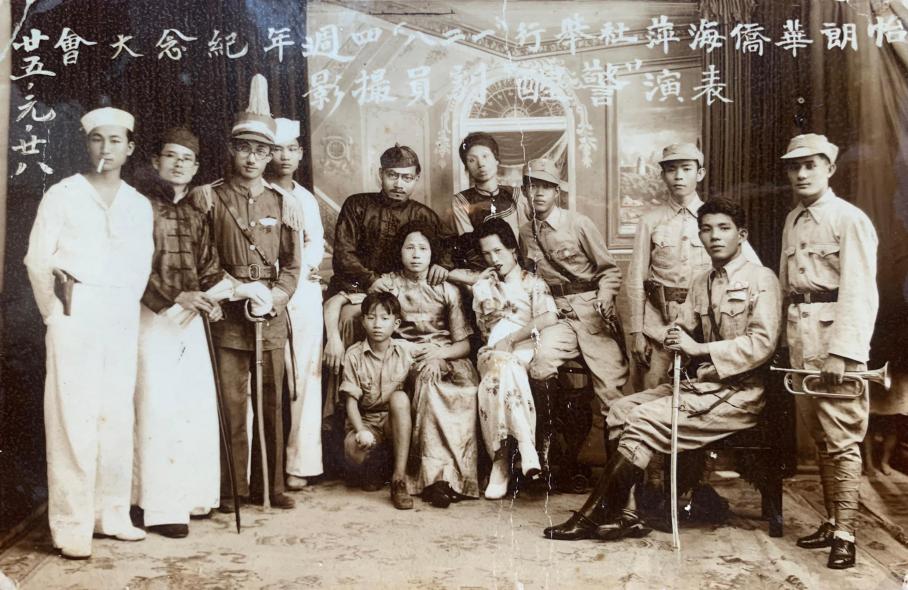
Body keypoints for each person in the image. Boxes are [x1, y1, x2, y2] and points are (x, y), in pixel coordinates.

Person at [544, 197, 781, 542]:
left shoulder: (762, 279)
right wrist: (675, 334)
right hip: (701, 387)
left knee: (642, 419)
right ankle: (627, 513)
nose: (714, 236)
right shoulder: (702, 282)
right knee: (621, 409)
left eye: (724, 228)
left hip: (738, 395)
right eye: (706, 229)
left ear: (741, 235)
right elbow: (683, 327)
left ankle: (593, 515)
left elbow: (762, 344)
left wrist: (699, 349)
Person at [24, 107, 154, 559]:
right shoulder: (63, 194)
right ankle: (71, 524)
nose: (106, 148)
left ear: (130, 148)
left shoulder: (137, 204)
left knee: (115, 415)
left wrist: (121, 306)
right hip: (73, 312)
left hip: (119, 313)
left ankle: (111, 514)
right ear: (87, 144)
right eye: (98, 139)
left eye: (115, 140)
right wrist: (55, 314)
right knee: (72, 417)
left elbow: (141, 266)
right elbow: (37, 259)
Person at [194, 74, 301, 512]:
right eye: (244, 148)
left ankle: (270, 486)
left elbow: (293, 264)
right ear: (231, 149)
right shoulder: (209, 198)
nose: (252, 157)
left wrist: (276, 297)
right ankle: (232, 489)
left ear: (270, 155)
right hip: (229, 313)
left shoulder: (284, 202)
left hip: (269, 314)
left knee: (272, 403)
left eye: (261, 150)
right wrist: (236, 290)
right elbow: (203, 258)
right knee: (232, 404)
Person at [778, 134, 879, 570]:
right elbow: (789, 287)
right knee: (820, 438)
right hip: (802, 341)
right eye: (794, 167)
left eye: (811, 165)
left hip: (835, 343)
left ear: (830, 169)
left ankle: (846, 534)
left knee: (841, 439)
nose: (801, 174)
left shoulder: (849, 219)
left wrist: (843, 352)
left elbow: (860, 291)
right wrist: (785, 342)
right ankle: (832, 520)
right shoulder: (794, 220)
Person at [132, 127, 223, 538]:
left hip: (190, 325)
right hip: (151, 319)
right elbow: (132, 267)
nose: (179, 164)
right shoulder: (138, 207)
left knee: (192, 406)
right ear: (156, 161)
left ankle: (191, 497)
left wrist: (212, 299)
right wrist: (174, 297)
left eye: (187, 159)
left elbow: (209, 268)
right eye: (171, 156)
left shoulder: (197, 213)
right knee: (156, 407)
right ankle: (156, 505)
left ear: (197, 167)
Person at [517, 158, 628, 465]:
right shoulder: (525, 232)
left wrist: (605, 297)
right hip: (557, 316)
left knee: (610, 392)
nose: (539, 193)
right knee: (539, 365)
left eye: (546, 187)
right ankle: (558, 456)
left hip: (592, 314)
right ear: (524, 192)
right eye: (532, 186)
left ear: (557, 192)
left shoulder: (579, 224)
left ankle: (616, 479)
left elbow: (609, 270)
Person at [626, 143, 760, 389]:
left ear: (700, 173)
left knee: (704, 391)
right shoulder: (650, 221)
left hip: (705, 324)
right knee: (653, 390)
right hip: (659, 325)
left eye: (686, 169)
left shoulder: (716, 219)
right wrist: (636, 332)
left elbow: (752, 269)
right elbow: (636, 280)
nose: (678, 176)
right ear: (662, 175)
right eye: (671, 170)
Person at [471, 218, 559, 499]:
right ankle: (526, 446)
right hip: (493, 353)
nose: (493, 259)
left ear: (512, 249)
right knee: (503, 366)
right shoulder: (484, 286)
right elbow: (486, 331)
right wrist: (482, 291)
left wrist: (512, 338)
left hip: (522, 350)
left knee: (503, 372)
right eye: (486, 254)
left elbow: (548, 316)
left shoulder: (532, 283)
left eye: (498, 251)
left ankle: (500, 463)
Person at [266, 118, 326, 491]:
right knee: (266, 377)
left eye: (291, 149)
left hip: (303, 291)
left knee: (306, 373)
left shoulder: (305, 198)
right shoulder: (260, 192)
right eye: (276, 149)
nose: (284, 156)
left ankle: (301, 462)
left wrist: (305, 269)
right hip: (265, 289)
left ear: (301, 153)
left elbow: (315, 243)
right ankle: (262, 468)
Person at [340, 292, 415, 510]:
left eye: (384, 318)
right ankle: (378, 465)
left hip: (393, 422)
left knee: (400, 398)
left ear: (396, 323)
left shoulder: (405, 350)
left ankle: (398, 479)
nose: (377, 325)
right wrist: (361, 430)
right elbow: (351, 402)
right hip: (367, 422)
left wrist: (438, 361)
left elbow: (436, 353)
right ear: (363, 321)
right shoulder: (353, 355)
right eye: (371, 318)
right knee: (354, 449)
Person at [445, 132, 528, 274]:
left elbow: (526, 239)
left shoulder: (516, 194)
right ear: (466, 167)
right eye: (472, 160)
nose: (481, 164)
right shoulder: (461, 201)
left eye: (485, 156)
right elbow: (470, 247)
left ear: (496, 160)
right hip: (485, 272)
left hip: (520, 269)